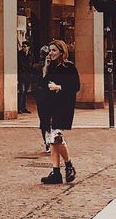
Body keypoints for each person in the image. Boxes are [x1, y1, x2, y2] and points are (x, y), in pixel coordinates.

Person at [36, 40, 80, 184]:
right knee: (52, 139)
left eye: (54, 50)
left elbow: (75, 86)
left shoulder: (69, 67)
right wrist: (44, 71)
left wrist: (59, 87)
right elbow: (43, 85)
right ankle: (56, 172)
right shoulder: (50, 66)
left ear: (61, 51)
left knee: (56, 137)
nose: (51, 53)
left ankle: (69, 165)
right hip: (49, 107)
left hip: (62, 106)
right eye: (50, 50)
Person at [32, 44, 54, 153]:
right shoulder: (37, 67)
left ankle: (50, 141)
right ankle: (47, 142)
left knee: (49, 120)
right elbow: (37, 82)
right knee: (45, 120)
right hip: (42, 96)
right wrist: (44, 69)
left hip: (51, 96)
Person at [16, 42, 31, 115]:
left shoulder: (30, 55)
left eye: (25, 46)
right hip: (22, 75)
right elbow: (19, 65)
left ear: (28, 47)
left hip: (28, 76)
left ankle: (23, 107)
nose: (24, 48)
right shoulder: (19, 54)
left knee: (25, 92)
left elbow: (31, 64)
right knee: (22, 91)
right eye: (23, 46)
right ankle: (19, 108)